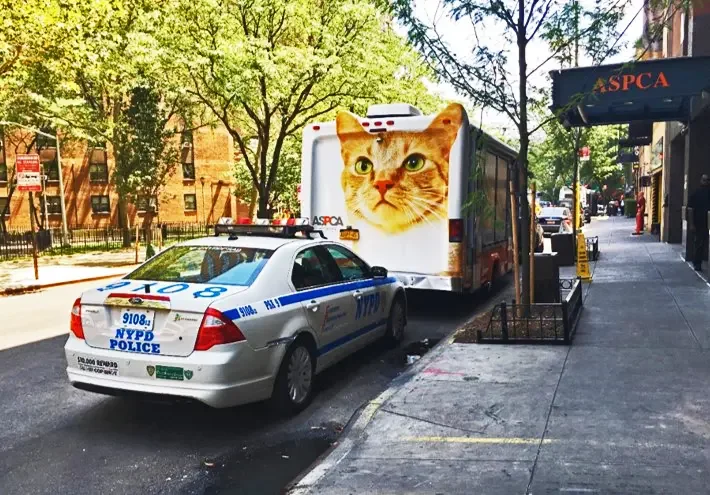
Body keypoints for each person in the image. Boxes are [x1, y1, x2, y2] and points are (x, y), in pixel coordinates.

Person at [688, 174, 710, 270]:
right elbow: (691, 210)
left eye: (707, 180)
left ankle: (698, 261)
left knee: (701, 244)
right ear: (701, 181)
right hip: (699, 223)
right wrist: (692, 224)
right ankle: (697, 263)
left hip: (706, 223)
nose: (706, 182)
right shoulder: (695, 194)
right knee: (699, 244)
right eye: (704, 180)